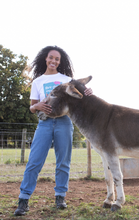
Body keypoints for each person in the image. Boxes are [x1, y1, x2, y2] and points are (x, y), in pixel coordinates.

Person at [14, 46, 93, 216]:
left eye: (57, 59)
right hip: (44, 124)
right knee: (34, 161)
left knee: (63, 162)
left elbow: (82, 97)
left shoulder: (67, 79)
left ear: (59, 61)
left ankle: (60, 197)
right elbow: (32, 107)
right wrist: (37, 106)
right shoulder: (37, 81)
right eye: (51, 58)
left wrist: (88, 92)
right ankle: (23, 199)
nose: (53, 61)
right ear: (46, 58)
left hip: (64, 123)